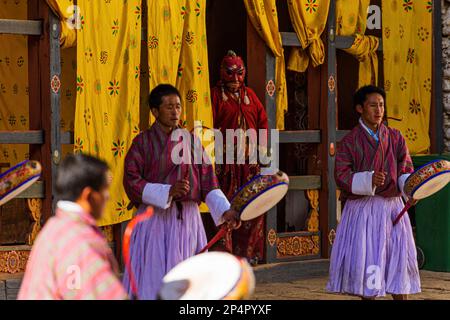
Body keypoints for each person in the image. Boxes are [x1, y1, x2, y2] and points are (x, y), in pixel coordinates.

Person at [122, 84, 240, 300]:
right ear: (155, 112)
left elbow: (208, 181)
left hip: (188, 220)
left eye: (178, 106)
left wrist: (226, 211)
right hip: (155, 221)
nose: (176, 112)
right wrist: (168, 191)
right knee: (154, 276)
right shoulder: (142, 143)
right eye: (169, 107)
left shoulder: (193, 143)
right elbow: (131, 181)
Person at [326, 85, 421, 300]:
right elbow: (341, 174)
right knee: (369, 262)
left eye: (381, 105)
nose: (378, 110)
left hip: (393, 207)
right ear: (360, 108)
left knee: (399, 262)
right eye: (372, 105)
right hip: (364, 209)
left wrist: (409, 189)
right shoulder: (350, 141)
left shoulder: (395, 137)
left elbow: (406, 168)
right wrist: (368, 179)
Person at [18, 154, 127, 300]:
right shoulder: (80, 241)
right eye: (104, 190)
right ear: (88, 195)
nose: (108, 197)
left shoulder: (53, 228)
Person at [204, 50, 269, 265]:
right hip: (226, 164)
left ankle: (249, 254)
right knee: (225, 208)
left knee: (252, 207)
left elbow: (262, 122)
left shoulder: (250, 94)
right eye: (230, 73)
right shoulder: (214, 95)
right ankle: (225, 255)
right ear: (222, 73)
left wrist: (262, 150)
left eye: (240, 73)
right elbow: (207, 126)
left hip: (250, 165)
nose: (235, 79)